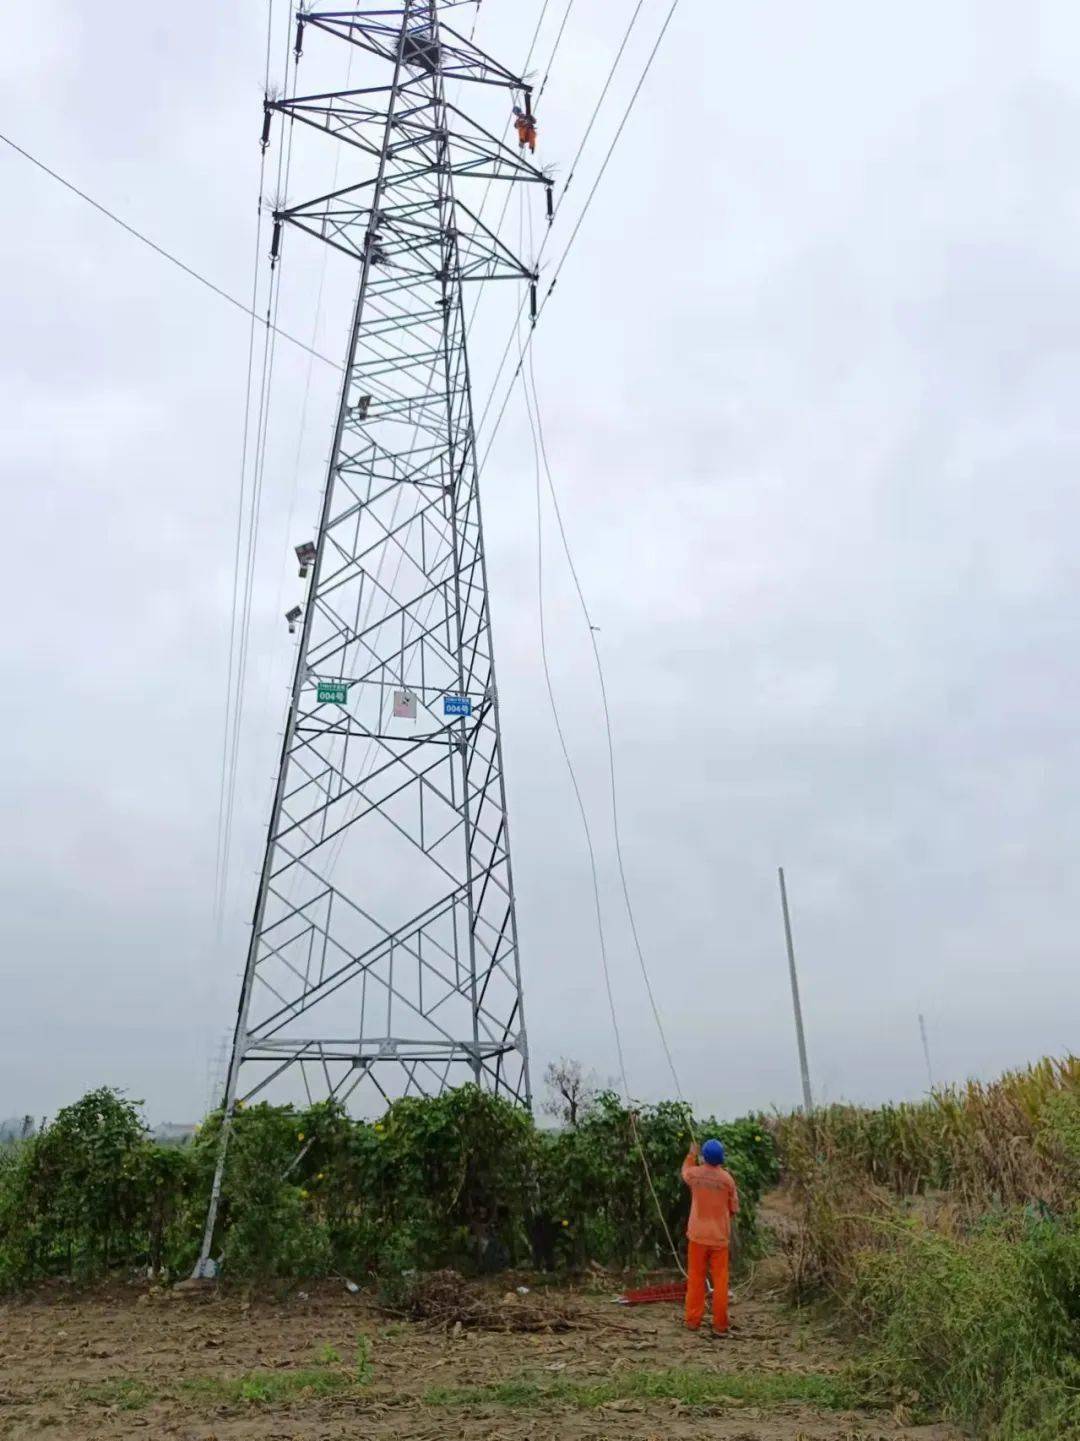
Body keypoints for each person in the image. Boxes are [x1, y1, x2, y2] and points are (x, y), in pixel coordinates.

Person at [680, 1137, 739, 1337]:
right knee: (720, 1281)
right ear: (721, 1158)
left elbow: (685, 1172)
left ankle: (692, 1321)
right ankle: (720, 1324)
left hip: (697, 1236)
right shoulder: (728, 1180)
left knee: (696, 1278)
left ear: (704, 1156)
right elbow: (733, 1209)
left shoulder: (695, 1175)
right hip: (719, 1238)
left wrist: (691, 1154)